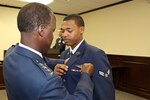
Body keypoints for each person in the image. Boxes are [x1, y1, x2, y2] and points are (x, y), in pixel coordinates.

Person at [3, 3, 94, 100]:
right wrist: (86, 76)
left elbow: (39, 59)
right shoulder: (48, 82)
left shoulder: (11, 53)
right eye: (52, 31)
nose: (53, 36)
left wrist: (62, 62)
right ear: (42, 30)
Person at [54, 14, 115, 100]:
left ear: (81, 30)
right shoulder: (64, 54)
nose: (64, 34)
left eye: (69, 30)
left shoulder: (95, 54)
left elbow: (104, 91)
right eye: (63, 31)